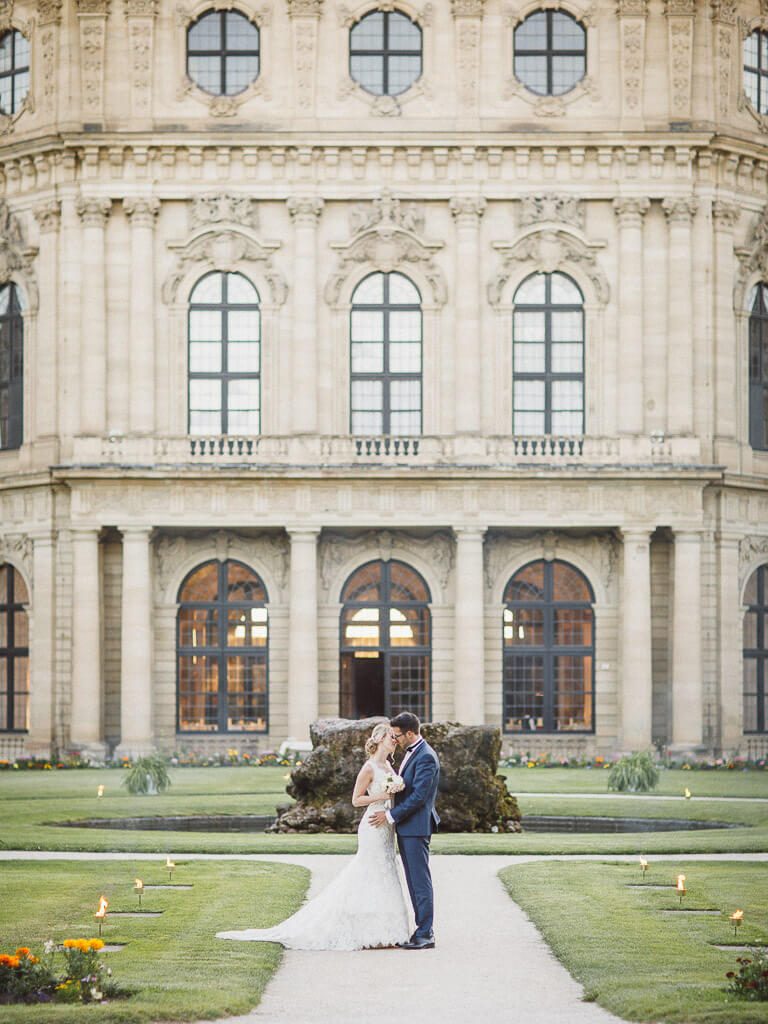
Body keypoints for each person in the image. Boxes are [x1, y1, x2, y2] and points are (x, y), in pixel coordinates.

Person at [215, 722, 410, 950]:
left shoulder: (388, 765)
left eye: (395, 739)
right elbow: (356, 800)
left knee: (386, 871)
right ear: (378, 739)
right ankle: (366, 930)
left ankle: (386, 930)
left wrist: (391, 802)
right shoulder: (369, 768)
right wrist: (381, 797)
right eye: (391, 737)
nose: (394, 741)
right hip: (372, 825)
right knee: (371, 871)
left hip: (386, 825)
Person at [369, 711, 440, 950]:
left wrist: (389, 815)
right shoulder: (413, 753)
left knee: (419, 881)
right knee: (413, 880)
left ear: (410, 733)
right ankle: (421, 929)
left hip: (416, 827)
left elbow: (419, 797)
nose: (395, 739)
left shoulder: (426, 757)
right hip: (407, 826)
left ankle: (425, 933)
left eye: (397, 735)